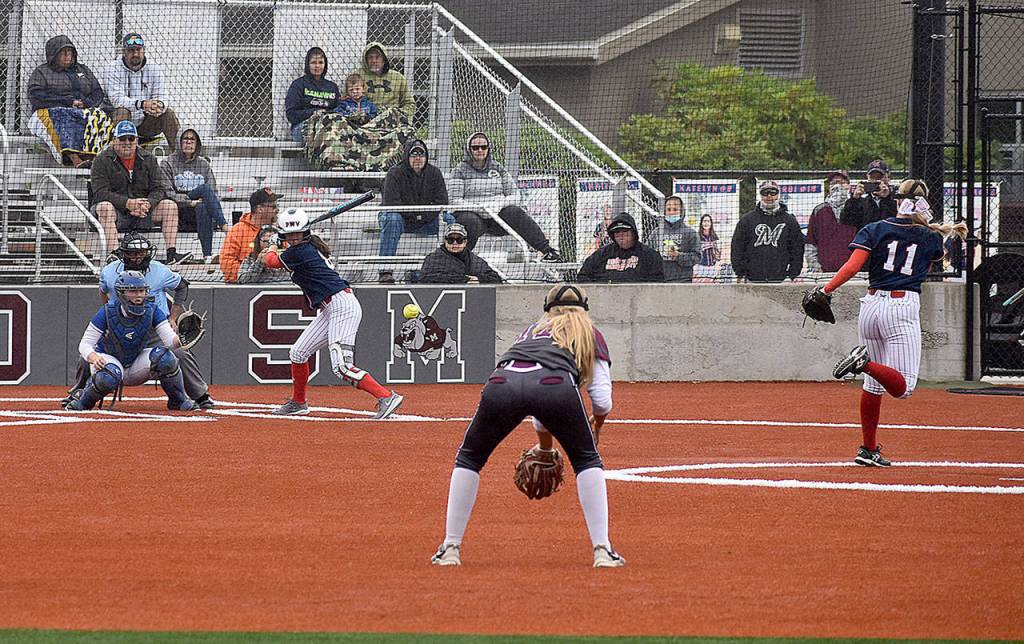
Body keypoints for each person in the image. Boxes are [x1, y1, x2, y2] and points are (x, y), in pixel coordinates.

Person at [430, 285, 624, 568]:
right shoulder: (589, 333)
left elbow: (532, 395)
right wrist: (598, 426)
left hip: (501, 384)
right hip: (555, 387)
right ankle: (603, 550)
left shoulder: (531, 331)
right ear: (585, 309)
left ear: (547, 310)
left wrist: (546, 448)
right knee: (586, 461)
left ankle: (450, 547)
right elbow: (602, 400)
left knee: (469, 458)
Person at [823, 179, 967, 467]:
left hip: (871, 305)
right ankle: (862, 363)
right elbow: (931, 262)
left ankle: (868, 448)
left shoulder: (874, 229)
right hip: (901, 306)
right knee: (904, 388)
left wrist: (827, 290)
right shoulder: (929, 237)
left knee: (873, 387)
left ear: (896, 201)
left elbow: (852, 266)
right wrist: (928, 227)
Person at [263, 207, 404, 419]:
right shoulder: (307, 247)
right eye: (290, 235)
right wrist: (280, 240)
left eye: (298, 234)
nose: (294, 238)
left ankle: (386, 397)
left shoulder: (300, 251)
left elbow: (270, 261)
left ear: (306, 233)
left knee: (342, 367)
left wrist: (274, 243)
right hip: (330, 307)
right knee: (298, 353)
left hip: (342, 306)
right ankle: (298, 402)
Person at [96, 232, 214, 409]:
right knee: (91, 352)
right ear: (123, 253)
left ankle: (200, 395)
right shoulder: (109, 272)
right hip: (121, 327)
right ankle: (79, 392)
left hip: (155, 326)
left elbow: (182, 286)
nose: (138, 257)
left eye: (142, 253)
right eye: (133, 253)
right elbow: (103, 291)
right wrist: (109, 316)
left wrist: (173, 317)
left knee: (180, 353)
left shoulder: (159, 270)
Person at [65, 271, 198, 412]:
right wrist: (94, 357)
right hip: (109, 359)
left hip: (135, 362)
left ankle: (178, 401)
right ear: (121, 292)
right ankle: (83, 403)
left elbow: (170, 341)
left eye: (141, 290)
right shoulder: (107, 312)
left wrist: (182, 339)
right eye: (133, 291)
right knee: (108, 376)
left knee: (165, 358)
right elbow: (85, 344)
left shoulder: (152, 310)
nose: (139, 295)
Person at [449, 132, 563, 262]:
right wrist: (479, 208)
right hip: (473, 215)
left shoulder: (498, 168)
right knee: (470, 221)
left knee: (514, 212)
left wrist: (499, 205)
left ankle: (546, 251)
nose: (480, 150)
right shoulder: (459, 170)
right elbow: (455, 200)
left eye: (483, 147)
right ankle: (460, 259)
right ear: (469, 149)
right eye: (475, 147)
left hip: (497, 216)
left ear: (488, 148)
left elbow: (515, 195)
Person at [91, 120, 187, 263]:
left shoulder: (149, 158)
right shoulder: (101, 160)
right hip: (115, 212)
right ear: (114, 140)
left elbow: (159, 189)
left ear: (137, 140)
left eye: (131, 138)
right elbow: (100, 193)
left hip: (143, 211)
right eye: (122, 138)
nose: (127, 142)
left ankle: (172, 254)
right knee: (104, 207)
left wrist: (147, 203)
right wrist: (127, 203)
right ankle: (115, 255)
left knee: (169, 206)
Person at [27, 34, 110, 166]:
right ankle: (74, 159)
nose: (67, 55)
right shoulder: (42, 72)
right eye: (63, 52)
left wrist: (86, 103)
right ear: (53, 55)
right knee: (61, 115)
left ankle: (94, 159)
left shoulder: (83, 69)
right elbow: (36, 95)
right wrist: (67, 102)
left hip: (82, 110)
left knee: (100, 116)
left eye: (70, 51)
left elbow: (97, 92)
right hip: (49, 112)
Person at [378, 139, 452, 282]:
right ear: (407, 156)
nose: (418, 158)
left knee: (449, 220)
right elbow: (391, 204)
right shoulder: (394, 173)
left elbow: (442, 202)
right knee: (392, 219)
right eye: (413, 154)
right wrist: (416, 214)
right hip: (400, 219)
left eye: (421, 154)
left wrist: (421, 216)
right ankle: (385, 270)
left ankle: (448, 268)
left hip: (425, 220)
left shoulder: (435, 173)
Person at [103, 33, 179, 152]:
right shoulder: (112, 69)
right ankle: (118, 156)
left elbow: (163, 96)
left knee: (168, 113)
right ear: (124, 52)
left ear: (144, 51)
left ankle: (180, 157)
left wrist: (158, 106)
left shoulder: (154, 69)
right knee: (122, 111)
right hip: (118, 122)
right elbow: (116, 100)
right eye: (131, 50)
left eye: (138, 50)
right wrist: (142, 104)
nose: (135, 54)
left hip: (146, 122)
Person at [161, 129, 227, 262]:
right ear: (179, 141)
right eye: (185, 139)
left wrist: (197, 203)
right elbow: (167, 193)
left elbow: (213, 192)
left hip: (199, 211)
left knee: (203, 204)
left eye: (192, 139)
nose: (189, 142)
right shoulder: (167, 163)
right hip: (178, 212)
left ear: (197, 143)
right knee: (203, 189)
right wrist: (189, 202)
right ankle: (225, 227)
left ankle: (207, 255)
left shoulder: (204, 164)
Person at [730, 180, 804, 282]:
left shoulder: (790, 221)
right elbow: (737, 247)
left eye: (773, 193)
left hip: (781, 280)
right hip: (751, 279)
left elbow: (797, 249)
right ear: (760, 195)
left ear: (778, 195)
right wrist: (740, 272)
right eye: (765, 193)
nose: (769, 196)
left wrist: (793, 273)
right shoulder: (747, 220)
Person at [576, 212, 664, 283]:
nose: (621, 236)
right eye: (617, 232)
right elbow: (583, 275)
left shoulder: (649, 255)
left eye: (625, 232)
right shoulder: (602, 254)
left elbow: (657, 282)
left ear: (633, 233)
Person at [220, 188, 281, 283]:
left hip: (277, 284)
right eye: (273, 207)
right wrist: (253, 274)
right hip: (245, 288)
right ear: (260, 209)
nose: (277, 210)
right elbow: (227, 264)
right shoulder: (238, 231)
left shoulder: (279, 231)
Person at [285, 47, 340, 143]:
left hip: (328, 126)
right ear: (308, 64)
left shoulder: (332, 87)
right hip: (303, 127)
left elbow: (339, 109)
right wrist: (313, 113)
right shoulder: (298, 85)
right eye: (314, 63)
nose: (317, 66)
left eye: (320, 62)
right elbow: (291, 114)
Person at [805, 170, 857, 273]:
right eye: (834, 183)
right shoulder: (819, 210)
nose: (837, 186)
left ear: (849, 186)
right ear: (829, 187)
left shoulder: (857, 208)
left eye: (841, 183)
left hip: (853, 272)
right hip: (825, 272)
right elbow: (811, 242)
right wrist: (815, 267)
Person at [420, 223, 502, 284]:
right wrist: (464, 279)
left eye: (459, 240)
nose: (455, 243)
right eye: (450, 240)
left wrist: (479, 279)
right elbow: (426, 278)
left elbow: (495, 278)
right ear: (445, 241)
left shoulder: (474, 260)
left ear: (465, 242)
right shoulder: (433, 258)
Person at [358, 42, 415, 123]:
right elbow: (347, 100)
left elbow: (409, 103)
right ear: (365, 60)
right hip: (366, 120)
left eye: (377, 57)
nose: (374, 61)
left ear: (384, 59)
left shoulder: (398, 78)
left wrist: (398, 114)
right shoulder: (357, 76)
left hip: (392, 121)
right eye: (370, 57)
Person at [840, 159, 898, 231]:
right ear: (867, 178)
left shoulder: (896, 198)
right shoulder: (861, 201)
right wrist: (854, 200)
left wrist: (887, 199)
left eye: (880, 177)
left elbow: (897, 220)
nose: (876, 180)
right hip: (867, 239)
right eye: (872, 177)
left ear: (888, 178)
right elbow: (846, 221)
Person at [659, 196, 700, 282]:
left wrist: (678, 256)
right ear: (664, 211)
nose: (671, 212)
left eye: (675, 209)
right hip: (661, 281)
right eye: (668, 209)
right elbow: (648, 254)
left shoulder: (691, 233)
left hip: (683, 281)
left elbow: (697, 257)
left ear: (681, 212)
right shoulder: (657, 232)